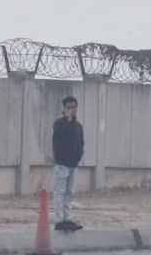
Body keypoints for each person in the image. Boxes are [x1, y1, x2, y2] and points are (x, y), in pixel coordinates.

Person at [52, 95, 84, 231]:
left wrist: (79, 156)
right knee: (60, 192)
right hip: (62, 164)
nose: (72, 109)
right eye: (69, 107)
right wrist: (68, 120)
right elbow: (60, 136)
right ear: (64, 109)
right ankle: (59, 220)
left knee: (69, 193)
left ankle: (67, 218)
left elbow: (81, 143)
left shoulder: (78, 126)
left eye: (73, 107)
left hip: (73, 165)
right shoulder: (59, 124)